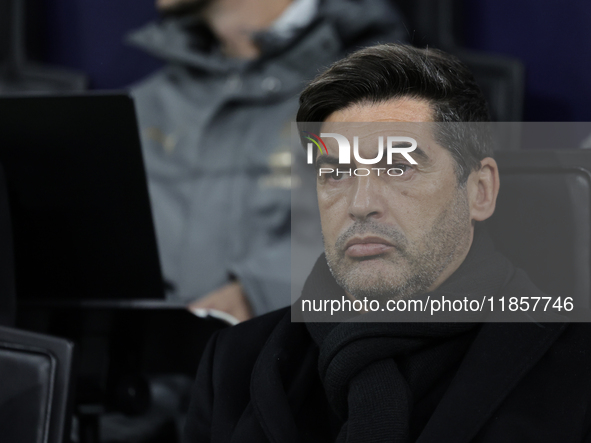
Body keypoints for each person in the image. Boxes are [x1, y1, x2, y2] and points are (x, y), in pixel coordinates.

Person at [182, 43, 591, 442]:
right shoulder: (234, 361)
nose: (361, 205)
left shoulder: (577, 369)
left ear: (479, 191)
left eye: (397, 168)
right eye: (336, 174)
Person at [127, 0, 406, 321]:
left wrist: (261, 293)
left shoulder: (392, 88)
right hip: (147, 362)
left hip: (302, 359)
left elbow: (408, 230)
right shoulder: (144, 104)